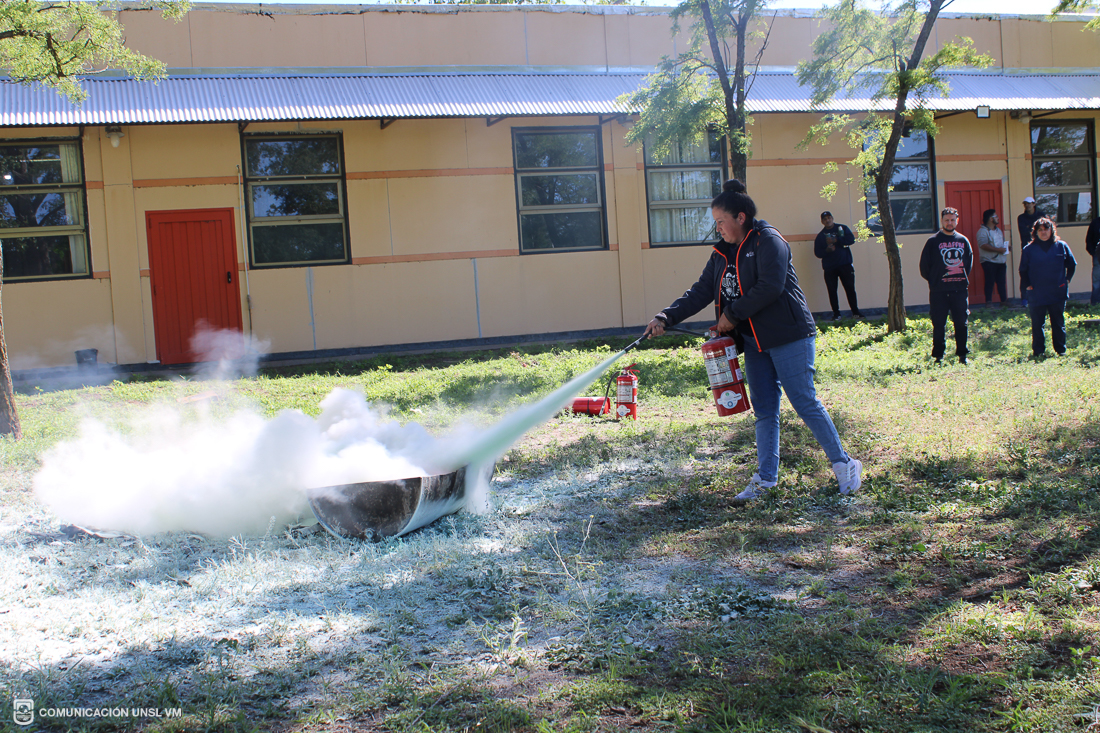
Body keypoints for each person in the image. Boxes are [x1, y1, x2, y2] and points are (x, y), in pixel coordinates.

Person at [642, 179, 862, 502]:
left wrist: (731, 314)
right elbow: (701, 291)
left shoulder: (768, 241)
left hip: (789, 335)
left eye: (721, 221)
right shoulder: (721, 255)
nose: (717, 228)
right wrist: (666, 317)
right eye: (715, 222)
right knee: (764, 409)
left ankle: (844, 464)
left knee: (803, 401)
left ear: (740, 217)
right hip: (755, 343)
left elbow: (770, 286)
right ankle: (766, 479)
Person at [919, 207, 973, 365]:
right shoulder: (932, 242)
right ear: (941, 221)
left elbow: (968, 264)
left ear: (957, 220)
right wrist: (935, 281)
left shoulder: (963, 241)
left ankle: (963, 355)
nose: (950, 223)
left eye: (952, 220)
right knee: (938, 324)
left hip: (959, 290)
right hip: (938, 291)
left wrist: (959, 278)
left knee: (961, 323)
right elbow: (924, 267)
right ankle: (938, 357)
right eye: (946, 220)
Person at [1019, 217, 1077, 357]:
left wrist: (1067, 280)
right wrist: (1028, 286)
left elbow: (1072, 265)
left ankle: (1061, 350)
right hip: (1037, 293)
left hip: (1057, 291)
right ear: (1036, 232)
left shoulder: (1061, 246)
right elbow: (1023, 270)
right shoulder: (1029, 249)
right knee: (1038, 324)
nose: (1044, 232)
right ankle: (1038, 351)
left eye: (1046, 229)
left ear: (1052, 230)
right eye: (1040, 230)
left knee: (1058, 323)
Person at [813, 211, 864, 320]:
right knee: (832, 291)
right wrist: (827, 250)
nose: (827, 220)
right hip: (829, 267)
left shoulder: (842, 228)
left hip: (845, 265)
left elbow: (851, 240)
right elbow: (817, 253)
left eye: (829, 218)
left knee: (850, 288)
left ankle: (855, 312)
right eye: (825, 219)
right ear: (822, 222)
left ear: (832, 218)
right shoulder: (821, 236)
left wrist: (836, 240)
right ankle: (836, 314)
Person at [976, 208, 1009, 305]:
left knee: (1001, 282)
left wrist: (1006, 248)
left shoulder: (998, 230)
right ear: (991, 219)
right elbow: (983, 245)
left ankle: (1004, 301)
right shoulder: (982, 231)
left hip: (1001, 261)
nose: (998, 218)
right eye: (996, 216)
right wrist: (998, 250)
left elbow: (1000, 243)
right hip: (989, 261)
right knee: (989, 282)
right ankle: (989, 302)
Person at [1017, 197, 1044, 307]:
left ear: (1034, 204)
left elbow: (1044, 231)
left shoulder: (1041, 215)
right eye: (1025, 204)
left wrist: (1031, 229)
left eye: (1029, 204)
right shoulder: (1021, 218)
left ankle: (1041, 297)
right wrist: (1035, 230)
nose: (1027, 206)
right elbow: (1024, 232)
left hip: (1041, 249)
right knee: (1024, 273)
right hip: (1027, 249)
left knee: (1041, 272)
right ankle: (1025, 299)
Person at [1086, 214, 1100, 305]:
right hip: (1098, 256)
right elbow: (1089, 240)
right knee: (1097, 281)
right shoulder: (1096, 222)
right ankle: (1095, 305)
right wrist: (1093, 253)